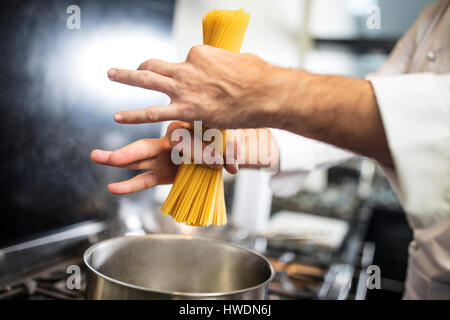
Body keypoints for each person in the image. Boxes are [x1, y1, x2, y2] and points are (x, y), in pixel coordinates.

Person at [91, 1, 450, 299]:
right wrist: (232, 147)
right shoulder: (436, 13)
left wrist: (261, 90)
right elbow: (380, 106)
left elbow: (425, 118)